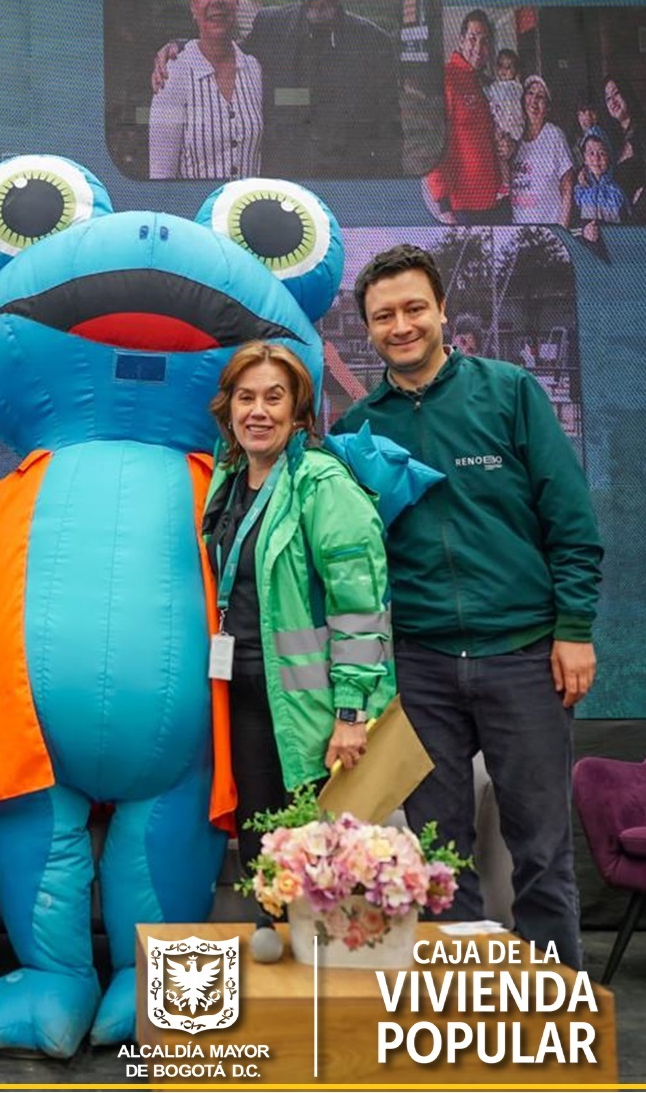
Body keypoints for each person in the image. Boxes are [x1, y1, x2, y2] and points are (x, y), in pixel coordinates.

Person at [335, 244, 602, 969]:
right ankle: (464, 1013)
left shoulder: (509, 393)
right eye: (383, 315)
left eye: (414, 308)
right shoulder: (360, 431)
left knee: (541, 849)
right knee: (437, 856)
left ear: (442, 311)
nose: (401, 325)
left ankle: (553, 1010)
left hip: (522, 654)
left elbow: (571, 524)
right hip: (418, 663)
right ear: (367, 328)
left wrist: (572, 629)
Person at [201, 343, 394, 947]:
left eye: (274, 397)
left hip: (316, 705)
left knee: (326, 844)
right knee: (264, 834)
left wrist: (351, 713)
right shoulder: (229, 479)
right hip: (248, 694)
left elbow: (361, 605)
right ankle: (276, 944)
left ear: (299, 410)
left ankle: (334, 982)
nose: (259, 411)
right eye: (246, 397)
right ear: (228, 407)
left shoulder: (322, 484)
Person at [154, 0, 401, 178]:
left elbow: (390, 147)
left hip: (347, 207)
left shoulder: (374, 46)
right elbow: (223, 51)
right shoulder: (271, 28)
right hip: (279, 208)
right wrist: (181, 46)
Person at [147, 0, 264, 180]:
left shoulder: (254, 71)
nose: (216, 0)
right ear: (192, 5)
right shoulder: (173, 75)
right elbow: (161, 179)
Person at [426, 10, 500, 223]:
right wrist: (444, 206)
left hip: (492, 202)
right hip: (461, 208)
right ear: (461, 40)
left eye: (484, 41)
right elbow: (431, 145)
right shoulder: (446, 78)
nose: (478, 48)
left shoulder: (484, 83)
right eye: (472, 38)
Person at [508, 74, 573, 225]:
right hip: (519, 230)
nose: (534, 100)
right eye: (530, 93)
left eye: (541, 96)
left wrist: (562, 230)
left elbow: (567, 187)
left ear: (548, 107)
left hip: (549, 228)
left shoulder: (554, 135)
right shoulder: (514, 136)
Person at [603, 75, 646, 220]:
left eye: (616, 93)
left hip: (643, 218)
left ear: (627, 93)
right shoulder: (610, 138)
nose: (612, 101)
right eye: (607, 98)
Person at [572, 129, 631, 242]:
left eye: (602, 153)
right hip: (585, 251)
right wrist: (583, 231)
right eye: (591, 153)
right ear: (584, 158)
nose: (596, 159)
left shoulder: (617, 192)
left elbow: (628, 228)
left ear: (609, 157)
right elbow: (569, 228)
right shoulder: (578, 192)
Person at [486, 48, 524, 144]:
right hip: (499, 127)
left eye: (508, 67)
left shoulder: (518, 88)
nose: (503, 70)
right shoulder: (494, 87)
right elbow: (490, 105)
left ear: (515, 70)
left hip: (514, 128)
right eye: (500, 66)